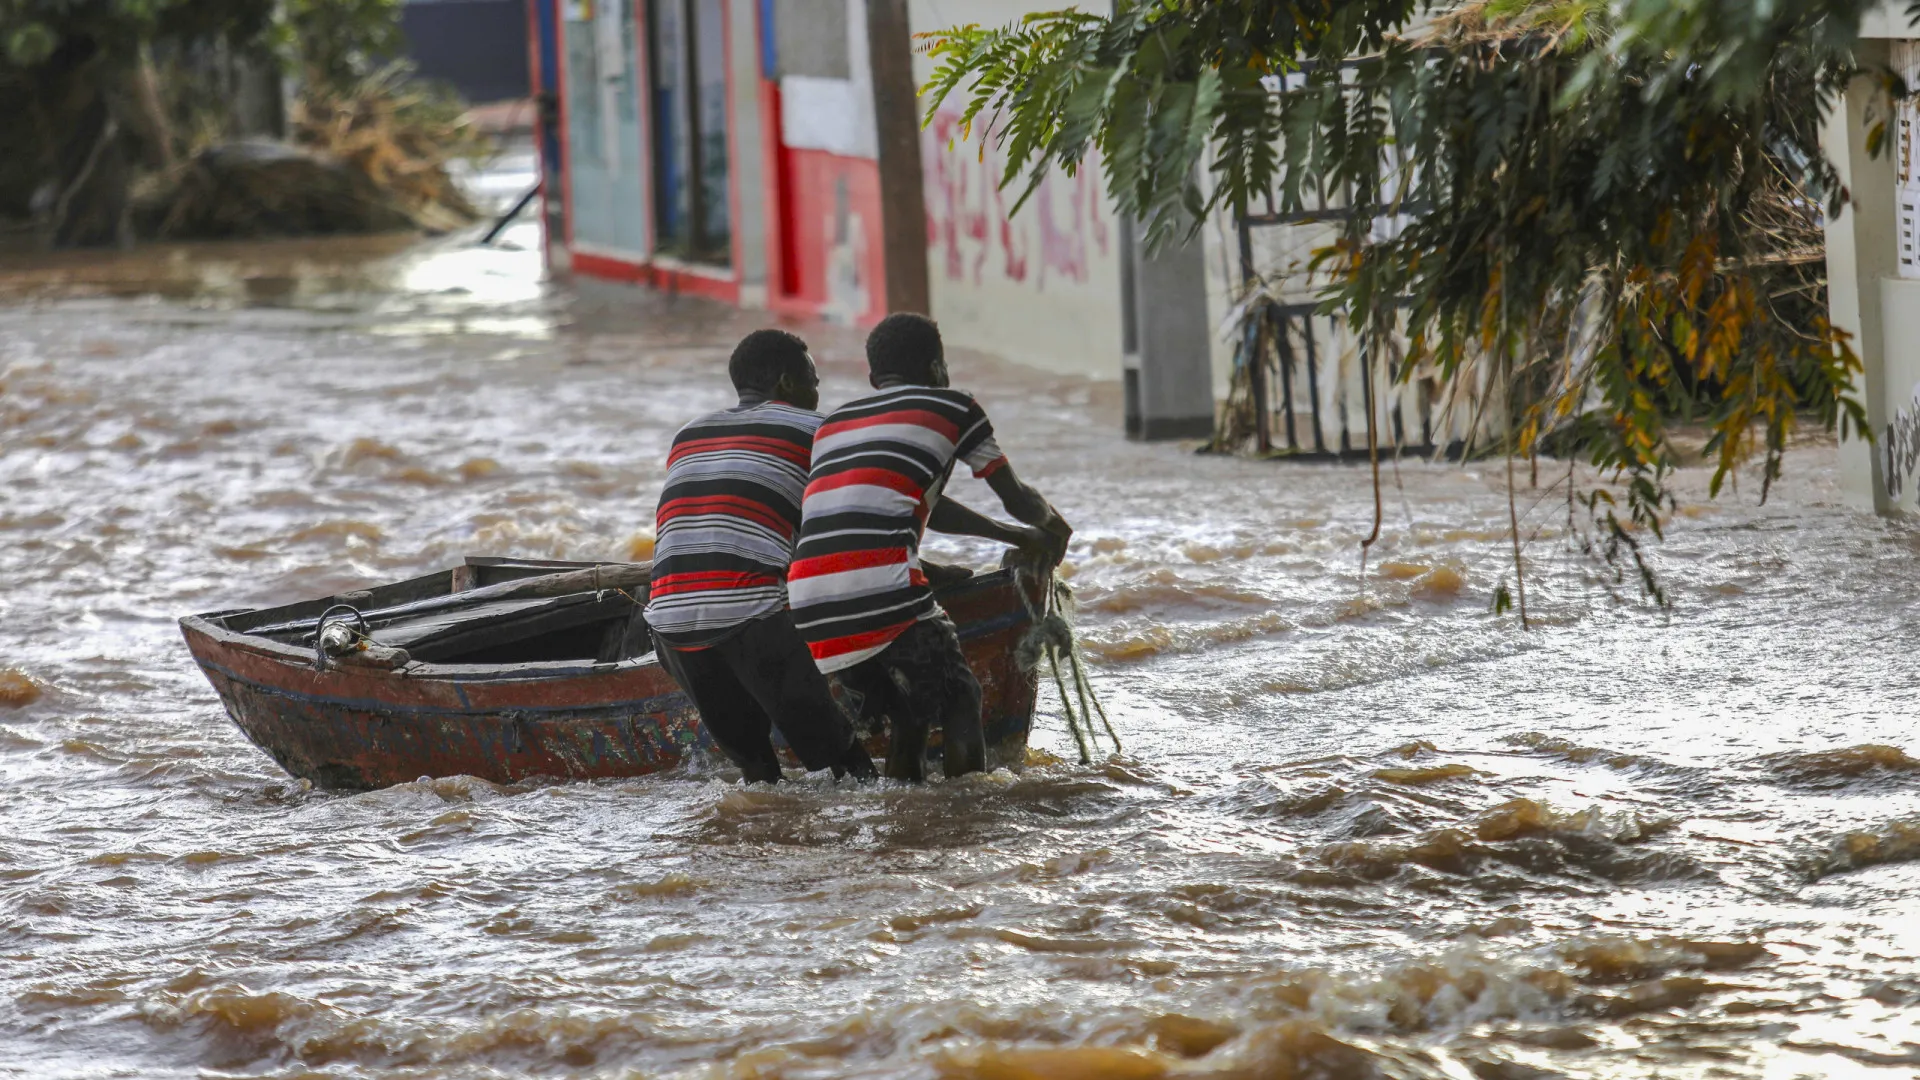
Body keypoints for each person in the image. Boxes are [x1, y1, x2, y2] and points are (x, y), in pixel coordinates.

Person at [788, 313, 1072, 781]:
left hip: (811, 604)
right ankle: (967, 814)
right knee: (961, 699)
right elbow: (1018, 498)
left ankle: (906, 824)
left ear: (875, 377)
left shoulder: (834, 424)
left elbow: (921, 504)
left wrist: (1014, 537)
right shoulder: (954, 406)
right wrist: (1052, 529)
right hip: (883, 589)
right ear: (938, 367)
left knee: (910, 716)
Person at [643, 329, 877, 784]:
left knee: (757, 775)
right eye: (813, 381)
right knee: (847, 763)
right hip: (750, 614)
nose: (817, 393)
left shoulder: (688, 434)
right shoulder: (819, 430)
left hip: (668, 620)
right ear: (787, 383)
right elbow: (853, 529)